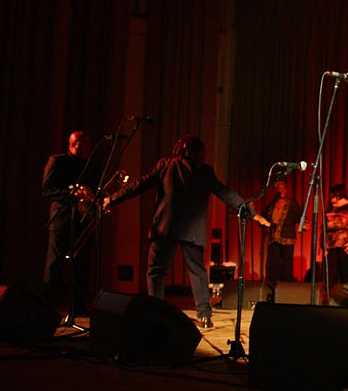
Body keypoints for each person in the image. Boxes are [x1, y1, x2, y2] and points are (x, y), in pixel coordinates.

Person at [103, 135, 269, 328]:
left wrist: (113, 199)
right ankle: (204, 315)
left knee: (156, 272)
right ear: (197, 152)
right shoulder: (205, 171)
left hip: (165, 227)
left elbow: (139, 185)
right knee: (198, 272)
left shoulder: (166, 166)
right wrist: (253, 214)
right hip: (192, 230)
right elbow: (225, 193)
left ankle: (156, 313)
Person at [42, 131, 100, 316]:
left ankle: (78, 308)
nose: (88, 147)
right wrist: (72, 194)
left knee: (82, 266)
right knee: (55, 265)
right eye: (84, 144)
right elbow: (47, 189)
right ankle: (46, 308)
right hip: (62, 218)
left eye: (89, 144)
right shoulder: (57, 161)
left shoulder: (92, 165)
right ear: (74, 144)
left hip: (83, 219)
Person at [261, 180, 304, 287]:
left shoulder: (292, 204)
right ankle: (271, 287)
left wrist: (304, 225)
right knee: (272, 265)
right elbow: (263, 220)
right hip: (273, 239)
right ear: (275, 191)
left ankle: (286, 289)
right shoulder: (271, 205)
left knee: (286, 266)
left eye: (284, 188)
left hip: (287, 239)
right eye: (279, 188)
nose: (282, 190)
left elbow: (301, 217)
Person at [324, 183, 348, 285]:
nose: (331, 198)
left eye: (333, 195)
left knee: (345, 276)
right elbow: (325, 228)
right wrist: (325, 246)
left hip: (346, 246)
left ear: (339, 195)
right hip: (331, 246)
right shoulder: (331, 208)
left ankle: (345, 295)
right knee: (331, 277)